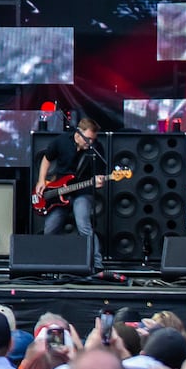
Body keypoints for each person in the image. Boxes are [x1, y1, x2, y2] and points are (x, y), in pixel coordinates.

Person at [34, 117, 110, 277]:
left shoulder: (96, 149)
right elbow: (46, 159)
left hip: (83, 191)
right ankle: (46, 265)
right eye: (88, 138)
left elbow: (100, 173)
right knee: (50, 228)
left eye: (93, 139)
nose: (90, 142)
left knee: (83, 225)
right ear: (78, 133)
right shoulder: (61, 141)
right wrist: (41, 180)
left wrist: (99, 180)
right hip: (59, 192)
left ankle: (97, 265)